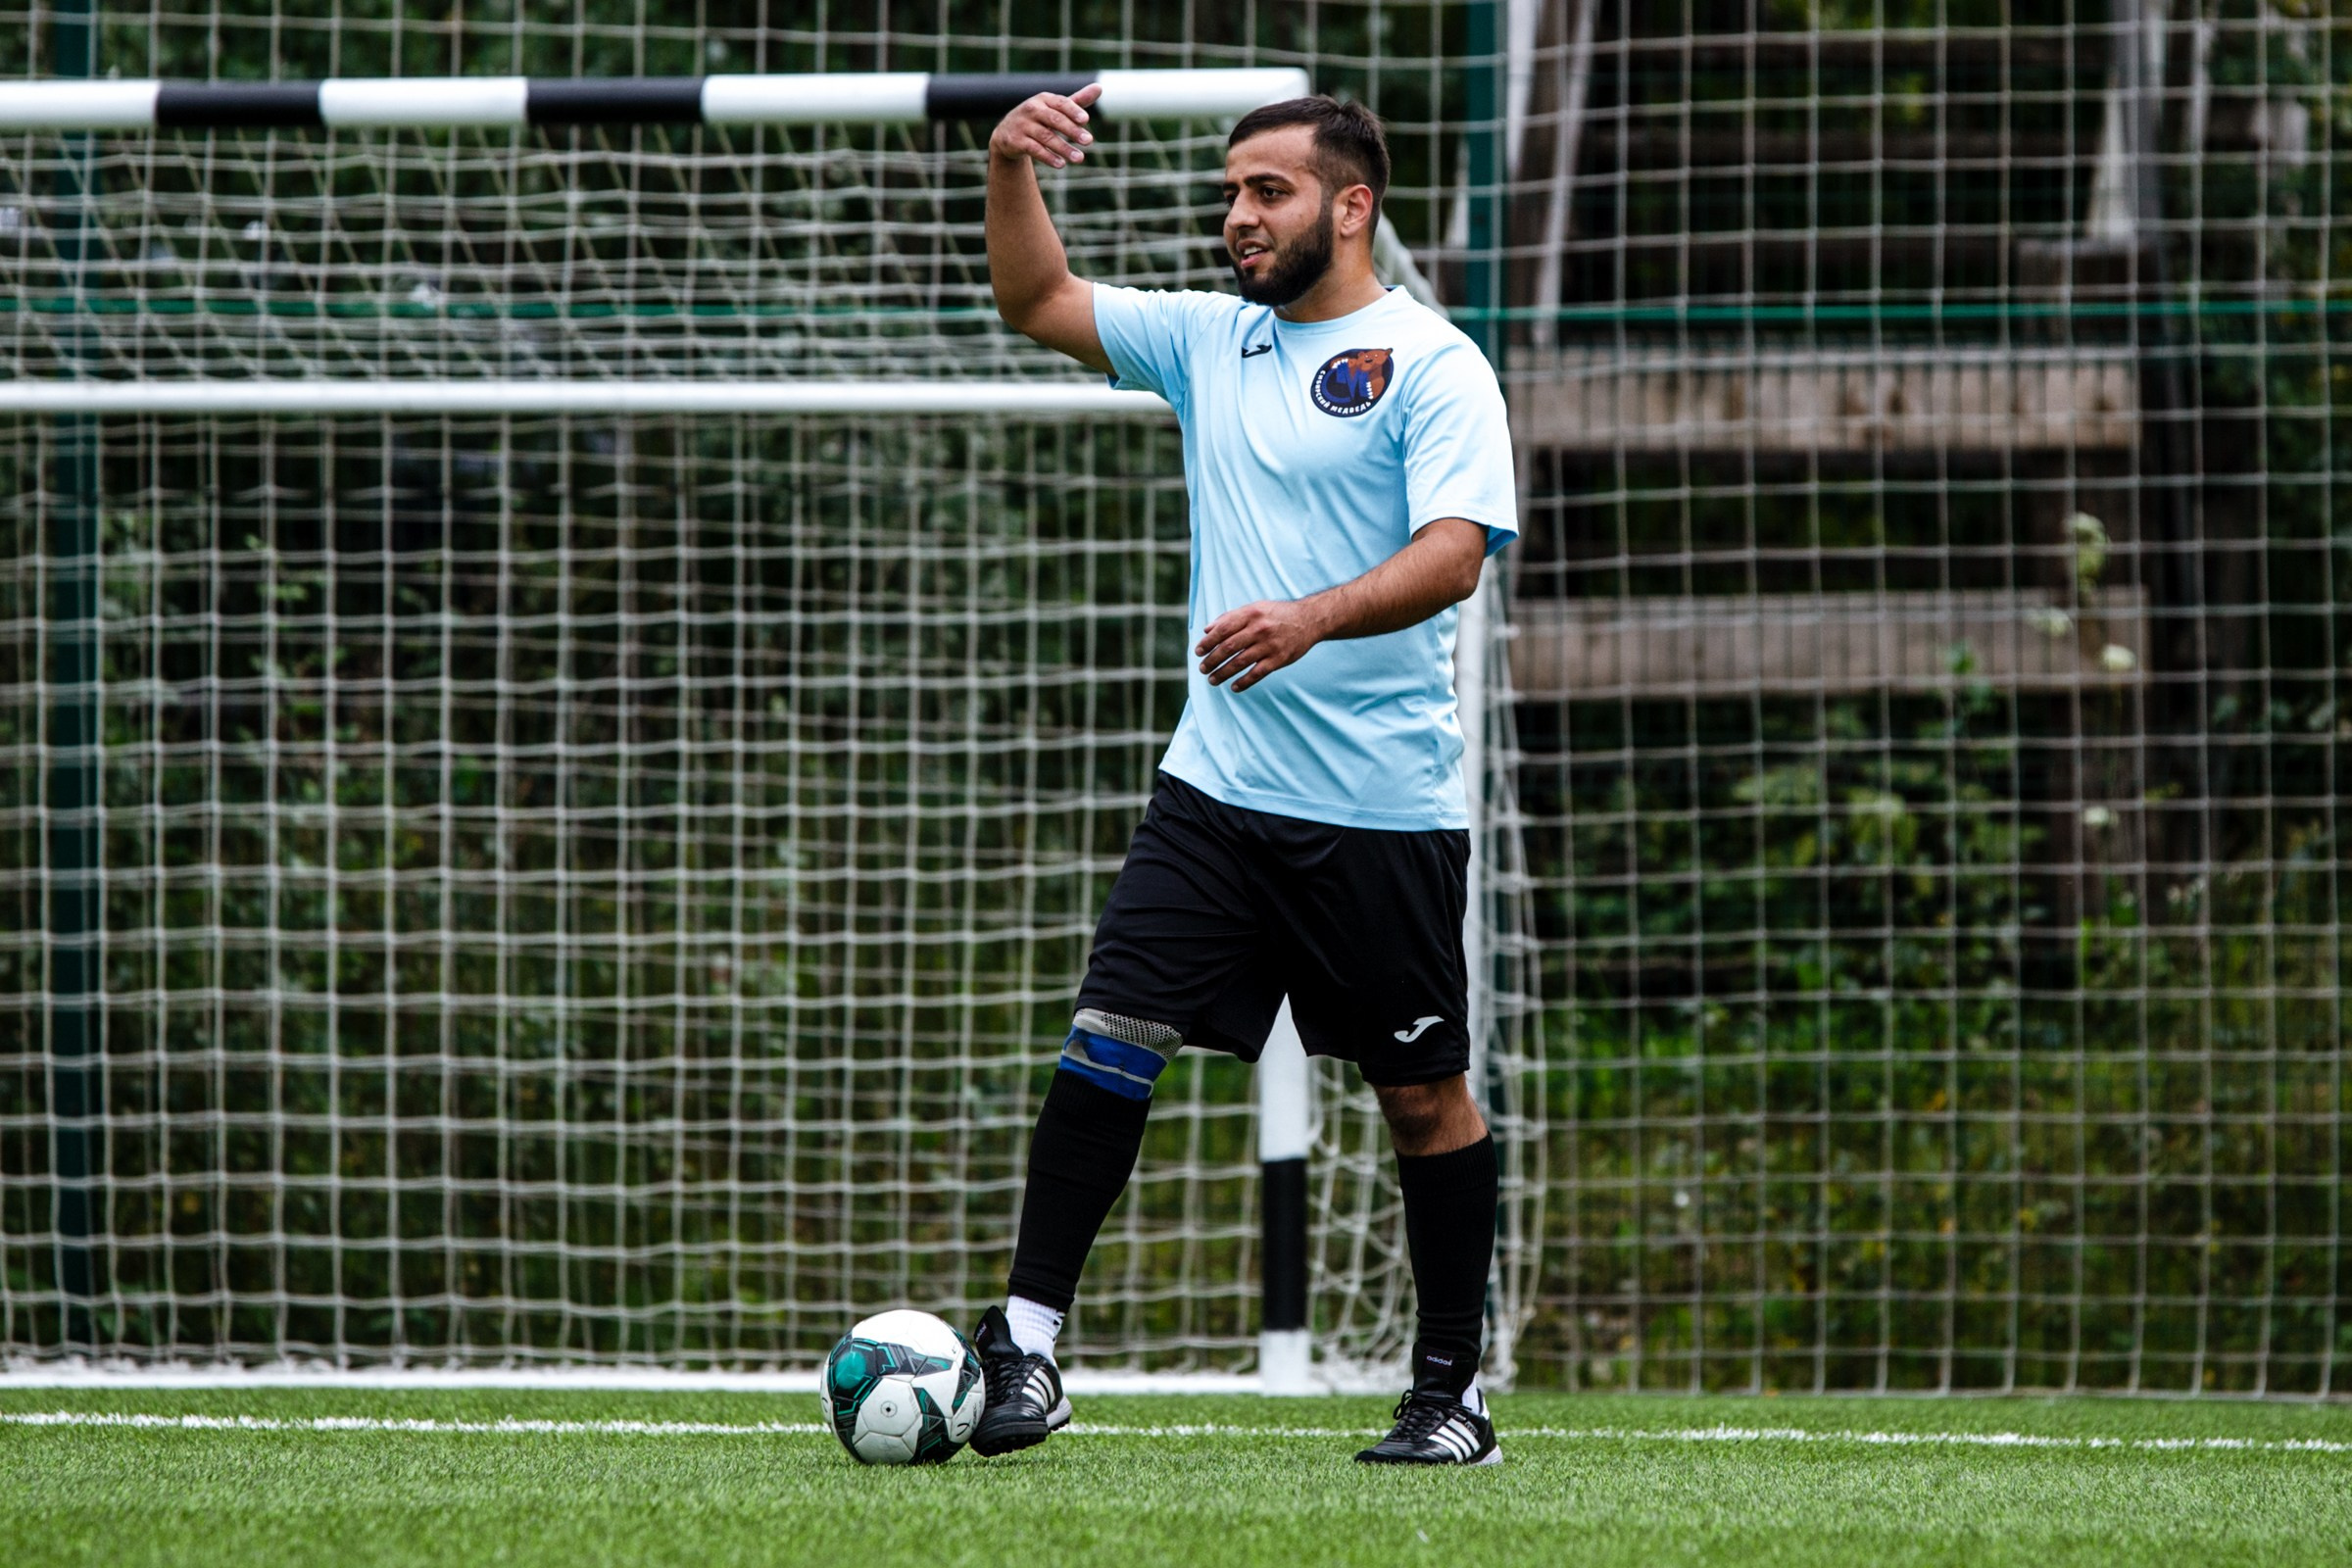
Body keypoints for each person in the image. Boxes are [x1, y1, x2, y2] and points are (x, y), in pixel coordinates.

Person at [967, 85, 1517, 1467]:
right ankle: (1024, 1350)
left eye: (1265, 191)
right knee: (1110, 1033)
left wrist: (1311, 615)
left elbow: (1458, 550)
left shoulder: (1434, 363)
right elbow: (1038, 299)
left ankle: (1452, 1390)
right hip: (1214, 789)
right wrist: (1006, 165)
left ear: (1350, 205)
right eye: (1230, 192)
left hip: (1380, 812)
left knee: (1421, 1097)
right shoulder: (1217, 341)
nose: (1234, 217)